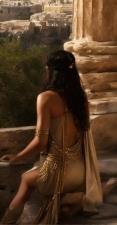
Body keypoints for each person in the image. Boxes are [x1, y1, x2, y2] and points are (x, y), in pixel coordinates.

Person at [0, 50, 102, 224]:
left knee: (26, 180)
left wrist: (17, 157)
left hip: (57, 172)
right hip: (80, 172)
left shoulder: (46, 98)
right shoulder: (81, 98)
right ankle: (71, 202)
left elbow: (40, 143)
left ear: (50, 71)